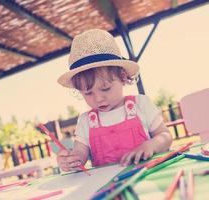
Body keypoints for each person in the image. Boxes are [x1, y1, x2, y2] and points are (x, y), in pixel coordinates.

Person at [56, 29, 172, 172]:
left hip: (148, 175)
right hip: (107, 188)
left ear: (123, 77)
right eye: (88, 92)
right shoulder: (86, 121)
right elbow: (80, 154)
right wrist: (70, 160)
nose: (98, 98)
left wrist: (150, 145)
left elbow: (165, 136)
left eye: (105, 88)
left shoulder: (141, 105)